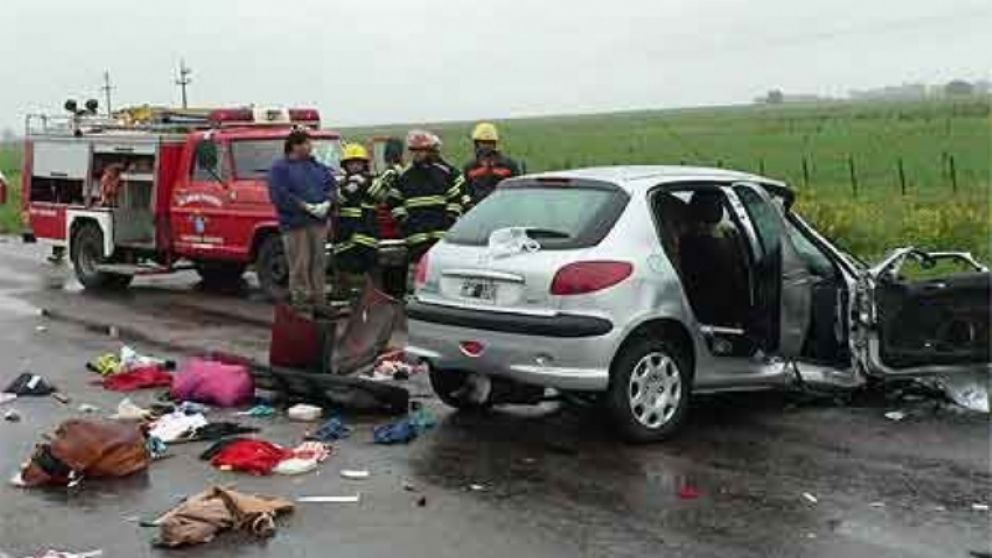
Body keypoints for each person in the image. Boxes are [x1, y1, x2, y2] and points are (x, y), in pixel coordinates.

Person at [266, 129, 336, 315]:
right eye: (306, 143)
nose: (310, 146)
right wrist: (304, 206)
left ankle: (320, 301)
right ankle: (301, 300)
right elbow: (279, 194)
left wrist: (328, 202)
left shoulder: (318, 168)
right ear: (295, 146)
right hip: (295, 224)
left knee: (319, 263)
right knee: (300, 263)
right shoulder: (280, 169)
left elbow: (331, 185)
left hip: (318, 223)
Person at [387, 130, 465, 270]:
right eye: (414, 151)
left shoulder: (443, 173)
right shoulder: (404, 176)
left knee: (441, 265)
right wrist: (404, 220)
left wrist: (450, 217)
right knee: (417, 266)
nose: (417, 154)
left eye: (421, 150)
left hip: (440, 228)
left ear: (429, 151)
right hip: (415, 230)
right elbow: (394, 202)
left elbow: (455, 198)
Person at [333, 143, 385, 298]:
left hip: (367, 231)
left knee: (372, 267)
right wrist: (347, 189)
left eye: (358, 162)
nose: (355, 166)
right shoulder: (341, 183)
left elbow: (380, 195)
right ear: (345, 165)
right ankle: (344, 297)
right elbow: (336, 200)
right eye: (351, 163)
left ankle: (376, 298)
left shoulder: (374, 180)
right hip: (345, 233)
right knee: (343, 266)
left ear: (364, 164)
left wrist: (364, 183)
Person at [462, 122, 520, 209]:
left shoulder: (509, 165)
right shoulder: (470, 167)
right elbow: (466, 190)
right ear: (476, 144)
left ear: (494, 144)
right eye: (483, 142)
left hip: (504, 208)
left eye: (489, 142)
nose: (486, 146)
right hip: (479, 210)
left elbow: (517, 190)